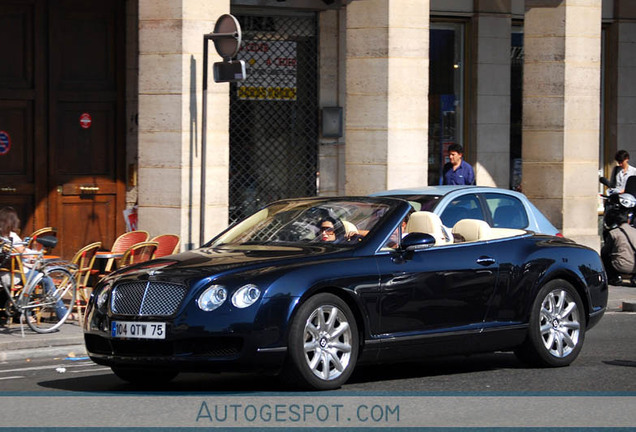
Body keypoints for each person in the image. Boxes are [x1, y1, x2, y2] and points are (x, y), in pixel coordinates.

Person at [0, 207, 67, 319]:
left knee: (31, 278)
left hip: (2, 274)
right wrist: (36, 253)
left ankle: (27, 313)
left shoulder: (3, 237)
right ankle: (62, 314)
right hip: (14, 275)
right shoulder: (12, 236)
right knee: (46, 280)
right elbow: (23, 253)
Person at [601, 209, 636, 285]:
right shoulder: (635, 231)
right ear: (628, 220)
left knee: (605, 256)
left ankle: (613, 277)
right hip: (634, 266)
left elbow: (605, 251)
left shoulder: (614, 233)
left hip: (620, 266)